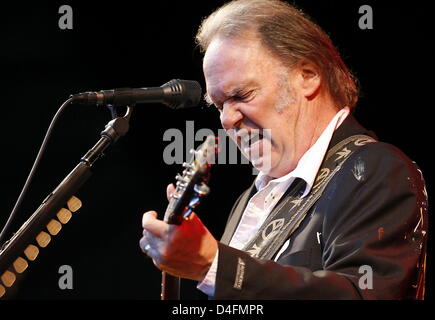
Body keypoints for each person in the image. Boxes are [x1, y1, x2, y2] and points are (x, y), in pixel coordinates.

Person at [139, 0, 428, 299]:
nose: (227, 119)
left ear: (308, 76)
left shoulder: (373, 170)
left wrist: (214, 265)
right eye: (219, 105)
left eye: (242, 94)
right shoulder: (251, 200)